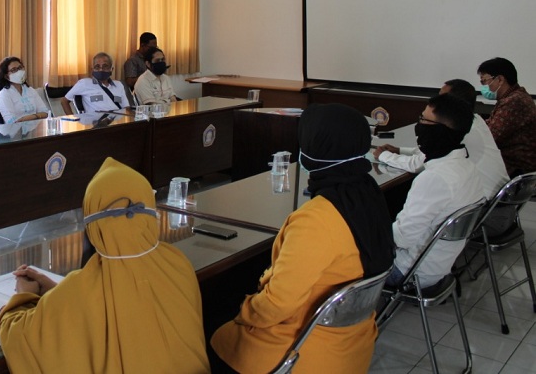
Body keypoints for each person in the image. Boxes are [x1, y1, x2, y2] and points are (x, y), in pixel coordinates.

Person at [210, 103, 394, 374]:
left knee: (209, 316)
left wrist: (241, 311)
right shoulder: (370, 196)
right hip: (353, 346)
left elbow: (276, 305)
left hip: (298, 352)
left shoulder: (317, 219)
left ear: (317, 149)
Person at [0, 157, 210, 374]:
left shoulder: (79, 289)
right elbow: (127, 298)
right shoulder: (177, 263)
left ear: (92, 226)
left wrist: (24, 297)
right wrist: (57, 291)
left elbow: (19, 336)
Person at [386, 93, 484, 288]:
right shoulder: (468, 167)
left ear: (441, 131)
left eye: (423, 119)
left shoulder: (435, 179)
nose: (419, 124)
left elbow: (401, 238)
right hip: (438, 266)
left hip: (407, 271)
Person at [373, 79, 508, 199]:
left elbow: (418, 164)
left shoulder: (457, 130)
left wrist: (384, 156)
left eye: (442, 96)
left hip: (486, 198)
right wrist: (401, 150)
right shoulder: (475, 120)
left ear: (453, 103)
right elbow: (430, 153)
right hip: (499, 193)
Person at [477, 57, 536, 176]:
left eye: (485, 81)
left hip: (517, 170)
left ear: (500, 79)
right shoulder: (514, 96)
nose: (483, 87)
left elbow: (490, 137)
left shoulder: (514, 101)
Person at [61, 53, 134, 115]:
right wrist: (74, 121)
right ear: (92, 70)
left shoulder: (119, 85)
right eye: (97, 67)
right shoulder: (84, 83)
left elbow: (126, 107)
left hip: (118, 123)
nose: (101, 69)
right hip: (97, 125)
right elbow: (64, 101)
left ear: (111, 69)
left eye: (105, 66)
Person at [0, 56, 50, 124]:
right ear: (6, 76)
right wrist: (36, 116)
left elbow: (46, 113)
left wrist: (31, 117)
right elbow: (12, 122)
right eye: (14, 70)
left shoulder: (30, 90)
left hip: (37, 129)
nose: (19, 71)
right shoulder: (4, 95)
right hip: (16, 133)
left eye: (20, 68)